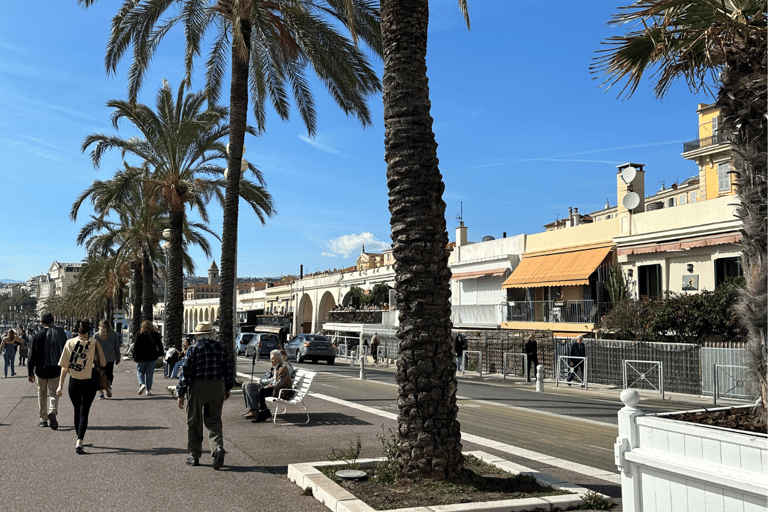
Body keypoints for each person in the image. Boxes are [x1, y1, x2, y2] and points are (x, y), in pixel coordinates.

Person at [175, 322, 234, 469]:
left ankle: (194, 455)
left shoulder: (193, 349)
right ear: (211, 334)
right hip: (217, 385)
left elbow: (186, 372)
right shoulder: (221, 348)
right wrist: (227, 387)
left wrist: (180, 393)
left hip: (197, 386)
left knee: (194, 421)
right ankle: (217, 448)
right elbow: (228, 369)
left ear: (198, 336)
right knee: (214, 421)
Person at [56, 319, 106, 454]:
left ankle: (78, 436)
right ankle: (80, 441)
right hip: (89, 382)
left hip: (74, 382)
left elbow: (64, 367)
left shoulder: (69, 343)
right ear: (89, 330)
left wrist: (60, 386)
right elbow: (103, 363)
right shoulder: (94, 343)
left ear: (76, 329)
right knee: (85, 412)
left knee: (77, 410)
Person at [28, 313, 68, 428]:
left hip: (40, 370)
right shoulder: (59, 333)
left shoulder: (37, 335)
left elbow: (32, 355)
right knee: (53, 392)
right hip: (55, 369)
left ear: (42, 322)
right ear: (53, 321)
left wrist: (30, 372)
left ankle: (43, 419)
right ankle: (52, 410)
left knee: (42, 394)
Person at [241, 349, 292, 422]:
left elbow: (280, 383)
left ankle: (262, 412)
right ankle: (264, 411)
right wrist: (264, 383)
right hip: (276, 388)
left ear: (278, 359)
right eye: (270, 358)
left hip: (283, 391)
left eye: (272, 358)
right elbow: (273, 380)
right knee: (256, 389)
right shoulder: (276, 367)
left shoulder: (282, 368)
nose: (270, 360)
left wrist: (269, 386)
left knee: (261, 391)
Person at [133, 321, 163, 396]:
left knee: (140, 371)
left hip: (141, 357)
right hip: (152, 356)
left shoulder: (139, 334)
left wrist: (134, 356)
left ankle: (142, 384)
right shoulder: (155, 334)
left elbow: (136, 347)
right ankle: (148, 390)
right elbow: (159, 344)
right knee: (149, 373)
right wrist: (161, 353)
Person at [94, 320, 121, 399]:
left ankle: (101, 393)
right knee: (109, 374)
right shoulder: (114, 334)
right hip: (110, 358)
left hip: (99, 359)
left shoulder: (96, 335)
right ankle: (108, 386)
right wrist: (118, 357)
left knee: (99, 375)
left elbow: (93, 348)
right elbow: (117, 347)